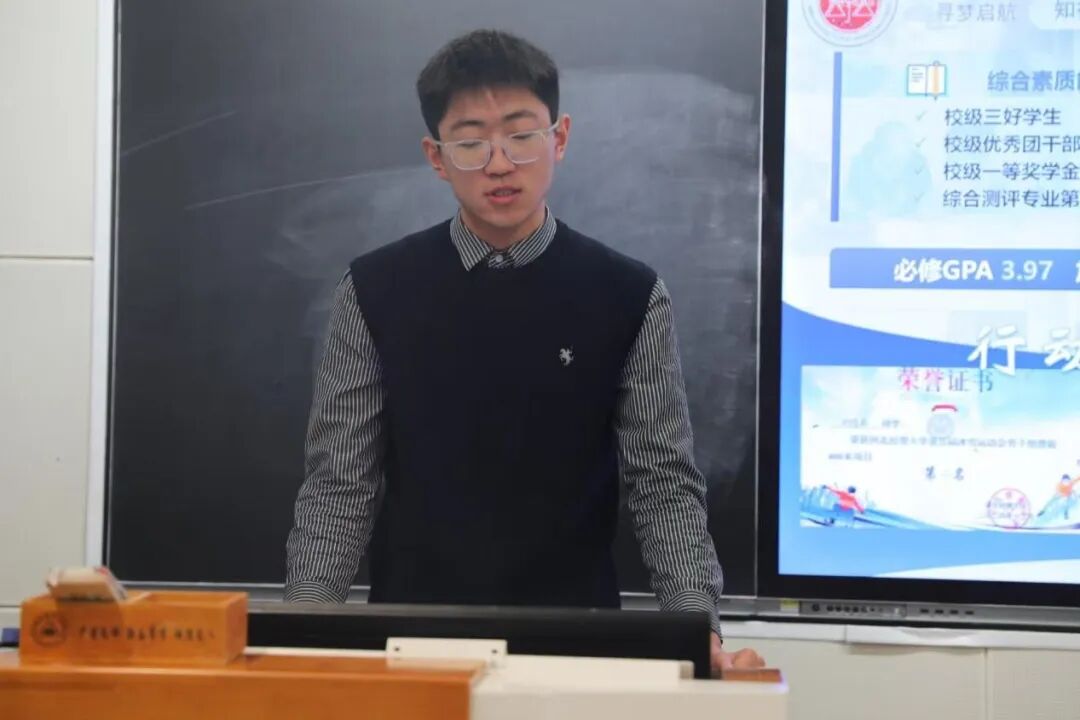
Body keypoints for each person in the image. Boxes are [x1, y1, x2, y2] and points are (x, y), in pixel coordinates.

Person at [284, 28, 763, 675]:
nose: (499, 162)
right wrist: (304, 631)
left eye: (520, 134)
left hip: (578, 647)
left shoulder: (628, 294)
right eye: (470, 141)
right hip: (414, 647)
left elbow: (662, 484)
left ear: (559, 138)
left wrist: (697, 632)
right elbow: (341, 486)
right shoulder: (373, 290)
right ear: (436, 156)